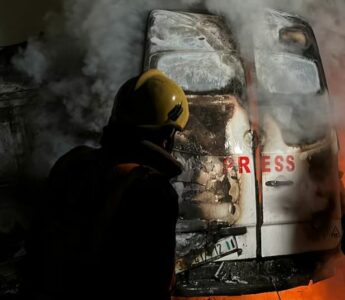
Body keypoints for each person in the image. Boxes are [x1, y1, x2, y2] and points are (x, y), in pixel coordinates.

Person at [25, 69, 189, 300]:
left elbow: (36, 242)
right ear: (168, 134)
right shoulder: (153, 190)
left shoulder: (72, 161)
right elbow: (155, 284)